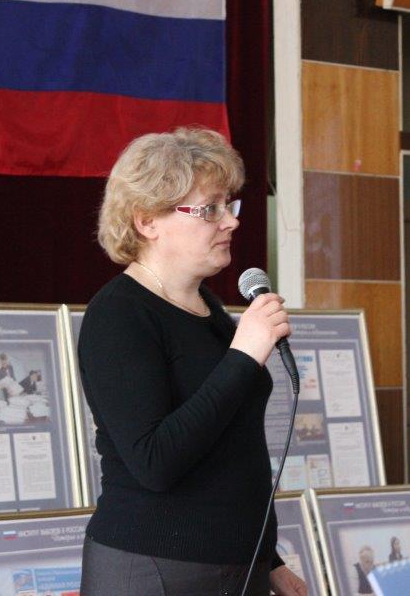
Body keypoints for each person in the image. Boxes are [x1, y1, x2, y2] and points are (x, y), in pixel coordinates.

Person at [77, 128, 306, 595]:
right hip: (153, 568)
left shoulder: (209, 310)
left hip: (239, 565)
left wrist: (269, 559)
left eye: (229, 205)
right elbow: (155, 461)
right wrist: (244, 355)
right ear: (147, 221)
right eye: (210, 209)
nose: (231, 222)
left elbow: (236, 450)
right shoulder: (119, 315)